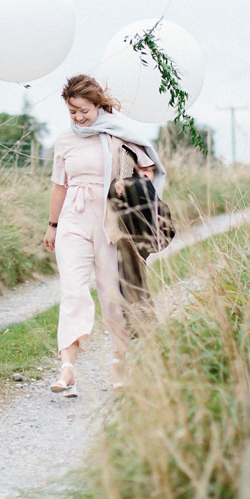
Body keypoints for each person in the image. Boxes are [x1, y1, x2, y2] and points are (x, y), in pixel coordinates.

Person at [43, 74, 165, 397]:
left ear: (98, 104)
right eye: (72, 112)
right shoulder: (65, 139)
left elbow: (148, 170)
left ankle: (119, 360)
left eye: (84, 111)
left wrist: (134, 186)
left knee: (112, 295)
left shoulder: (118, 133)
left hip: (111, 222)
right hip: (73, 218)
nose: (79, 118)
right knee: (73, 290)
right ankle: (67, 367)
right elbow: (59, 185)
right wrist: (52, 225)